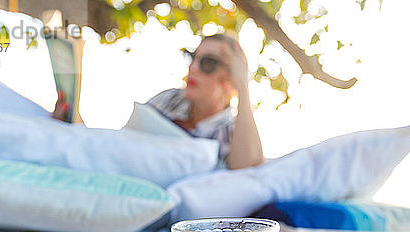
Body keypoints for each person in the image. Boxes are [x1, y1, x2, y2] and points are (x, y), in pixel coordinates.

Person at [52, 33, 264, 170]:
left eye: (208, 63)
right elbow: (116, 147)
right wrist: (74, 121)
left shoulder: (232, 132)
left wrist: (243, 86)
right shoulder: (170, 99)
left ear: (230, 80)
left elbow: (248, 168)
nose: (194, 68)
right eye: (193, 57)